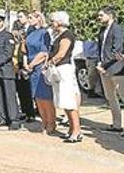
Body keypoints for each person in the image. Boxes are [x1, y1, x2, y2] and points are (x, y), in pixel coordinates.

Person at [95, 6, 124, 137]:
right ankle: (117, 124)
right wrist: (99, 63)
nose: (99, 18)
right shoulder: (102, 30)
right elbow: (101, 49)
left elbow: (117, 50)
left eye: (101, 15)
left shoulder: (118, 29)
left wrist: (105, 65)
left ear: (110, 15)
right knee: (110, 97)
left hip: (118, 68)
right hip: (104, 68)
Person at [46, 11, 81, 143]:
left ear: (60, 22)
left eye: (53, 21)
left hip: (64, 69)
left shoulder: (67, 35)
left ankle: (77, 130)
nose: (51, 23)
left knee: (69, 100)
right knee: (63, 101)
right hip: (57, 69)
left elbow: (61, 54)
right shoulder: (57, 35)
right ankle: (71, 129)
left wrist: (50, 62)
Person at [22, 12, 56, 135]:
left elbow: (44, 52)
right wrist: (26, 63)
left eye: (31, 17)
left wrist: (32, 64)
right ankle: (44, 121)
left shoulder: (44, 33)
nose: (29, 19)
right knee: (37, 97)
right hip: (31, 67)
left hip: (40, 66)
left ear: (38, 18)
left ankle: (51, 122)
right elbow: (24, 49)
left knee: (45, 97)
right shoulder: (30, 33)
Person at [0, 14, 21, 130]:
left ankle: (14, 119)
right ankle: (4, 117)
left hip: (5, 69)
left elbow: (8, 53)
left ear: (1, 23)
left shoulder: (7, 36)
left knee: (10, 96)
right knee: (0, 95)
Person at [12, 16, 36, 122]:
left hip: (24, 69)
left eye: (19, 32)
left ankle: (30, 113)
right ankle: (25, 112)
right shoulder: (14, 44)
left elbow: (25, 54)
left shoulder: (23, 43)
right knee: (21, 93)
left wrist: (24, 67)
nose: (16, 34)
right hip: (16, 70)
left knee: (27, 93)